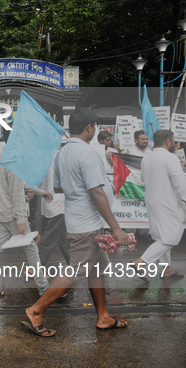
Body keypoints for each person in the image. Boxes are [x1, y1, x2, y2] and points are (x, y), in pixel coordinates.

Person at [22, 108, 129, 337]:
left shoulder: (63, 153)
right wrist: (116, 228)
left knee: (97, 267)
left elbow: (59, 187)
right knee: (75, 271)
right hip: (86, 225)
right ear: (90, 127)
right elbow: (97, 192)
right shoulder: (87, 154)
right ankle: (36, 310)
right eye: (95, 126)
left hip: (80, 221)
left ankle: (103, 317)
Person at [0, 134, 53, 297]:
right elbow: (17, 193)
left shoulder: (5, 154)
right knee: (32, 250)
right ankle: (44, 288)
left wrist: (39, 191)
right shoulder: (14, 159)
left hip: (3, 213)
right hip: (13, 215)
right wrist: (21, 220)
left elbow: (18, 185)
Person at [131, 130, 186, 280]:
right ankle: (141, 262)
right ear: (168, 141)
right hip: (168, 202)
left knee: (161, 236)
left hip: (152, 201)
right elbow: (180, 183)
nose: (174, 144)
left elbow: (143, 179)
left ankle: (166, 269)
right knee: (171, 237)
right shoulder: (170, 158)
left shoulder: (146, 158)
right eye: (173, 140)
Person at [38, 137, 70, 266]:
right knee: (50, 238)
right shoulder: (61, 158)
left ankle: (74, 264)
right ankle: (36, 267)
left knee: (64, 238)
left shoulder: (46, 157)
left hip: (50, 202)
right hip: (59, 202)